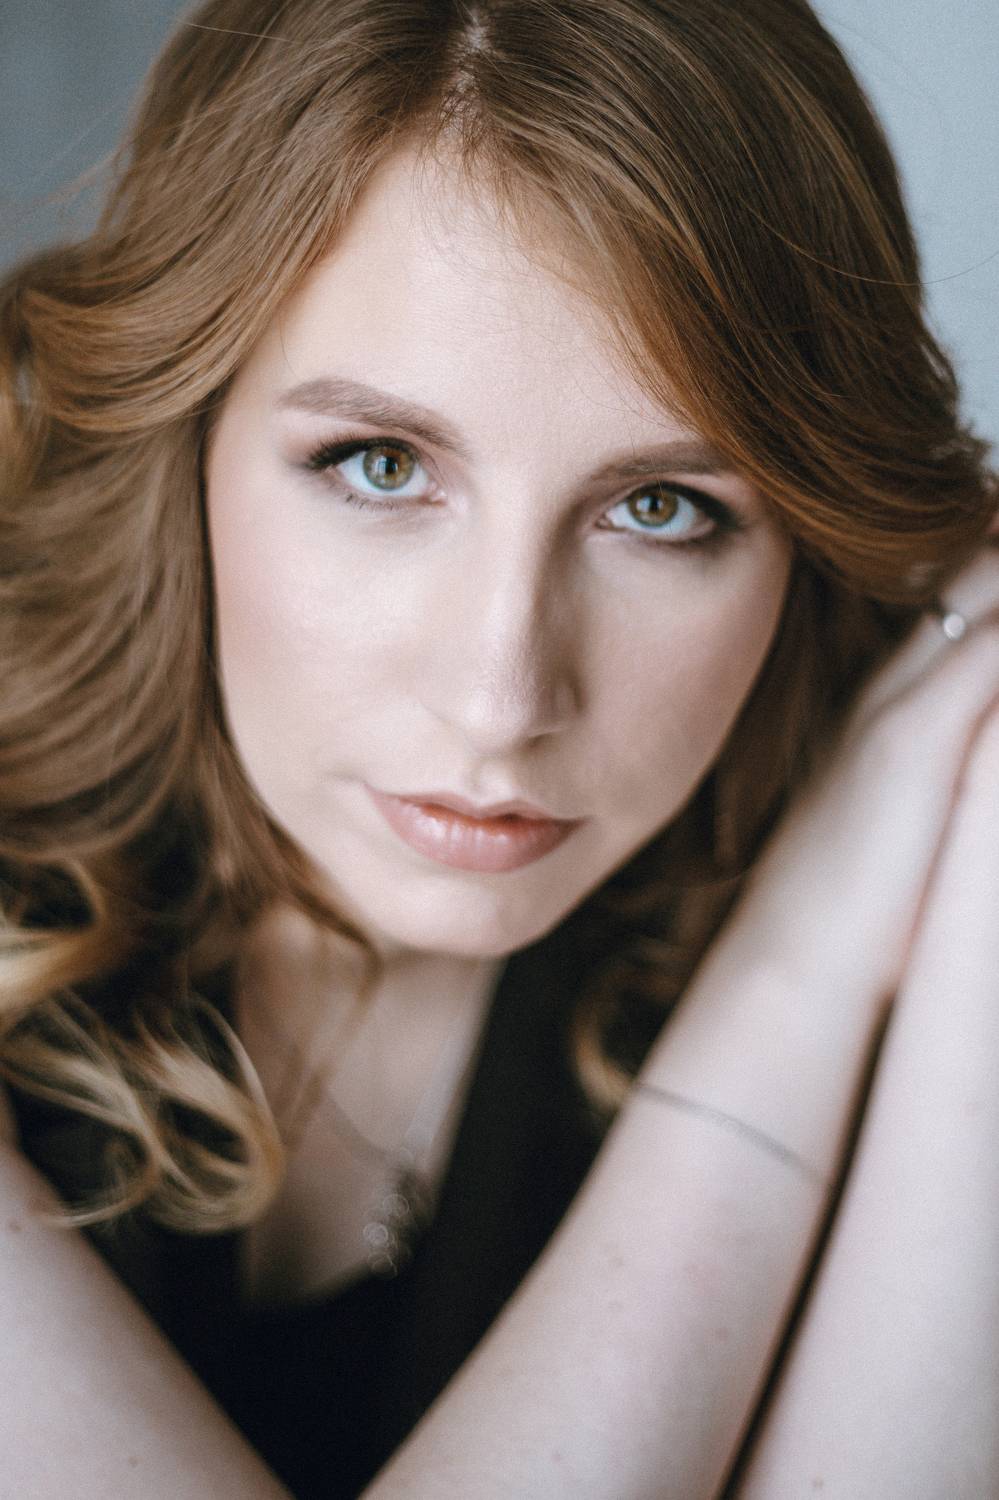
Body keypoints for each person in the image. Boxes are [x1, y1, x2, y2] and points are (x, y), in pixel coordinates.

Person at [1, 0, 996, 1495]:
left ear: (801, 542)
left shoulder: (928, 828)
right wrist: (797, 971)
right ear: (182, 437)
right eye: (379, 465)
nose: (501, 697)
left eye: (660, 508)